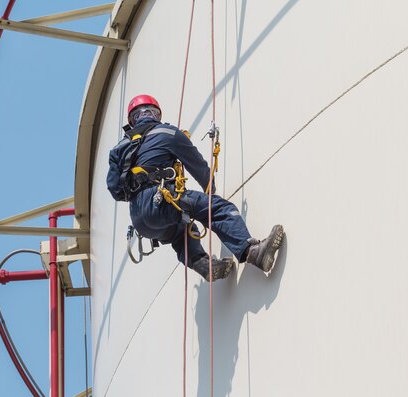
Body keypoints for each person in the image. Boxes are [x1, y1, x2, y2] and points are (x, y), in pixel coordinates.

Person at [107, 94, 284, 281]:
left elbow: (115, 190)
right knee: (219, 208)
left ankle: (203, 264)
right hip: (163, 200)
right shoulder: (167, 133)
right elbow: (198, 166)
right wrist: (210, 188)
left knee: (180, 230)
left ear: (132, 120)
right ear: (156, 115)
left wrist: (140, 191)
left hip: (139, 220)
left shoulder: (118, 149)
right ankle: (253, 252)